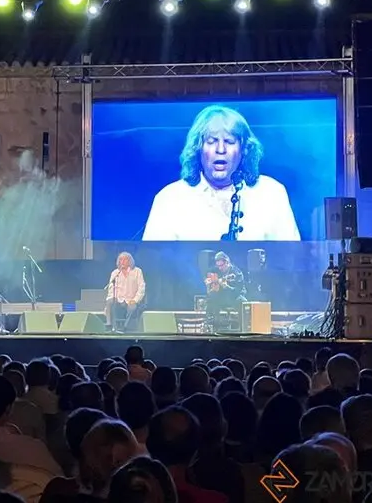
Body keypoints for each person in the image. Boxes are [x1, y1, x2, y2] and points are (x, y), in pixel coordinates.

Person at [142, 104, 300, 241]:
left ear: (244, 149)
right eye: (211, 141)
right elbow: (153, 263)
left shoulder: (271, 193)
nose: (221, 149)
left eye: (230, 141)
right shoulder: (170, 198)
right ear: (198, 148)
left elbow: (293, 260)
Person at [104, 252, 146, 333]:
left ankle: (125, 328)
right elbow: (111, 289)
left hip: (131, 299)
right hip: (119, 299)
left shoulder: (137, 271)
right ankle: (109, 325)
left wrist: (135, 300)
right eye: (120, 259)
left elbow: (141, 288)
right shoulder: (115, 273)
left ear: (130, 261)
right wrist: (112, 297)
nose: (122, 261)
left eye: (125, 259)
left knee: (132, 307)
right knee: (109, 302)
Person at [204, 252, 247, 329]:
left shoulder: (237, 273)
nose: (220, 268)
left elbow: (238, 291)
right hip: (222, 297)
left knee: (242, 301)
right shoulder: (216, 270)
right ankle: (212, 326)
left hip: (234, 296)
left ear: (227, 262)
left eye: (221, 266)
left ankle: (242, 328)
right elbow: (208, 274)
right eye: (218, 266)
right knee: (210, 300)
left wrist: (227, 287)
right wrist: (208, 281)